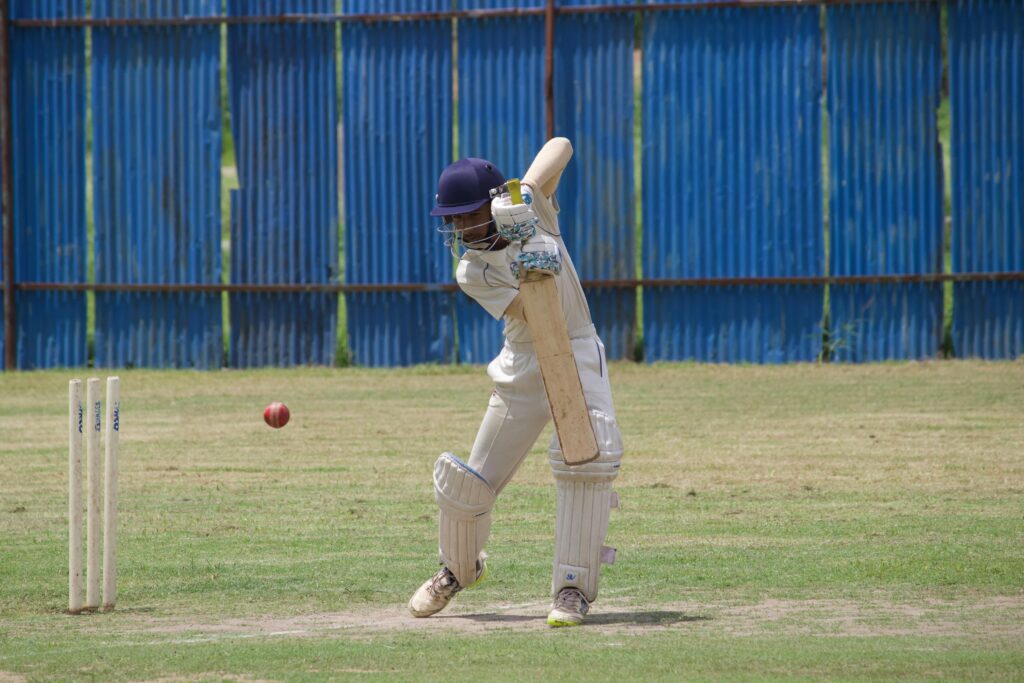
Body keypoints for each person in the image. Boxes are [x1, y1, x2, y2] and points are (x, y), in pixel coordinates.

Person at [408, 138, 623, 627]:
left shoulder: (534, 211)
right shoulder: (473, 269)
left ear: (492, 203)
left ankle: (572, 591)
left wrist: (524, 197)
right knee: (467, 487)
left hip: (577, 349)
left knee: (588, 466)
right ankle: (459, 569)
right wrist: (533, 253)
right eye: (454, 220)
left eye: (467, 215)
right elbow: (532, 311)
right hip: (524, 362)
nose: (460, 227)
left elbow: (563, 145)